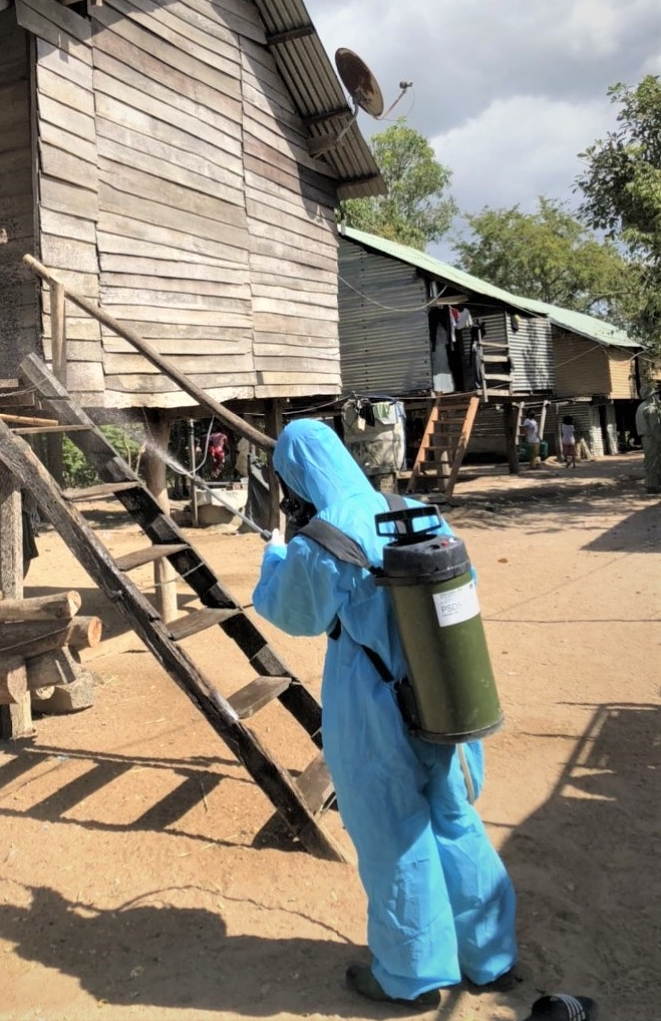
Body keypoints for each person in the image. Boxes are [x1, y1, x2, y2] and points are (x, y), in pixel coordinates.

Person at [253, 419, 517, 1011]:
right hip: (441, 694)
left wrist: (274, 555)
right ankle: (490, 956)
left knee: (393, 835)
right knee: (454, 819)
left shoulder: (320, 538)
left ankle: (410, 974)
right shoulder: (415, 509)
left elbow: (292, 612)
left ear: (296, 476)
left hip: (373, 711)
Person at [634, 380, 661, 495]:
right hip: (652, 438)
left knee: (649, 462)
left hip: (645, 438)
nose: (657, 397)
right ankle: (653, 487)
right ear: (651, 396)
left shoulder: (641, 407)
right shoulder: (651, 409)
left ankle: (651, 485)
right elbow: (655, 427)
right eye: (655, 394)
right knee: (654, 462)